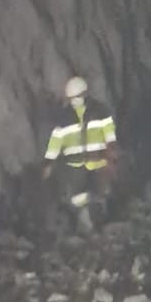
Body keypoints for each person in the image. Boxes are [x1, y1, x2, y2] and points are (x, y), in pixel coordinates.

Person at [42, 75, 118, 233]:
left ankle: (97, 219)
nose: (74, 101)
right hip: (75, 167)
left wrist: (111, 153)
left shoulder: (100, 111)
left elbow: (110, 135)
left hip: (97, 161)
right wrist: (49, 162)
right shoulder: (64, 117)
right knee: (77, 197)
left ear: (85, 94)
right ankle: (86, 223)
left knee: (100, 193)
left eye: (77, 97)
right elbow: (56, 141)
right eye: (71, 98)